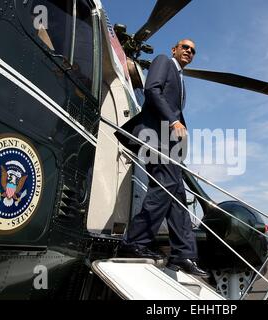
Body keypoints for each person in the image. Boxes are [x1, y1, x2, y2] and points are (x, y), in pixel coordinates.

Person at [116, 39, 208, 277]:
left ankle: (183, 255)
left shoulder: (181, 79)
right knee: (165, 187)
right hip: (156, 138)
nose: (189, 51)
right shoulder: (163, 61)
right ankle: (135, 241)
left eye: (193, 50)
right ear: (174, 49)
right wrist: (174, 120)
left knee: (177, 196)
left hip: (171, 145)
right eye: (185, 47)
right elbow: (152, 89)